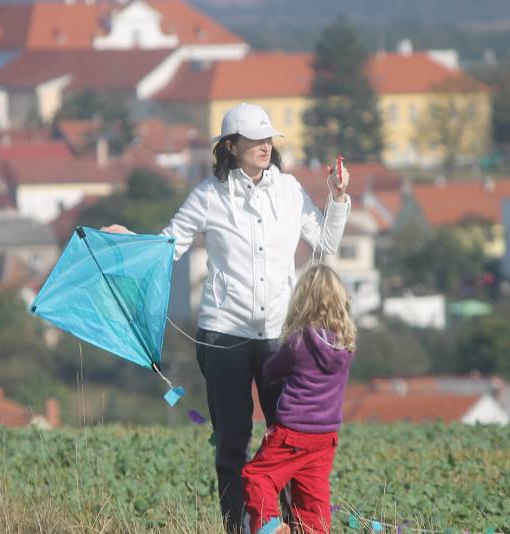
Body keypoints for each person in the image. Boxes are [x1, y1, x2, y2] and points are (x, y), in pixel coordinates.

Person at [102, 102, 351, 533]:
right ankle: (239, 527)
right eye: (255, 139)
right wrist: (128, 243)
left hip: (279, 335)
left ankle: (294, 526)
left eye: (268, 138)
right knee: (232, 444)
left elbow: (326, 246)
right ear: (231, 146)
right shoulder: (207, 195)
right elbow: (168, 247)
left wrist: (338, 197)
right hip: (222, 337)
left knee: (285, 442)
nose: (265, 146)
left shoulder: (290, 191)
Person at [241, 264, 357, 534]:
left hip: (292, 432)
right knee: (312, 497)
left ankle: (271, 526)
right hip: (325, 436)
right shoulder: (346, 345)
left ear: (303, 301)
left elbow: (270, 371)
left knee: (257, 476)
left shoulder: (298, 341)